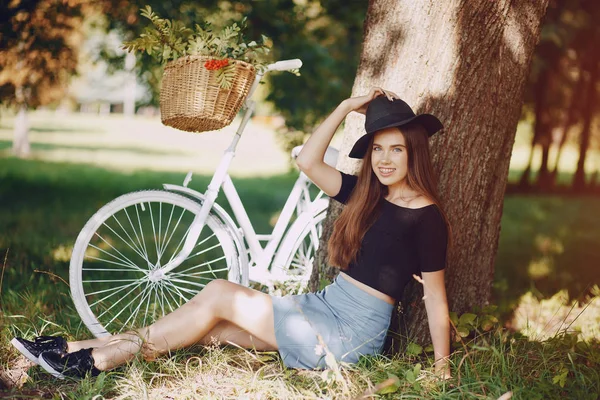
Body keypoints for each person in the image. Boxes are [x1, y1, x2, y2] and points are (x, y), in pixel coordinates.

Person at [10, 87, 452, 380]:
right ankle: (72, 348)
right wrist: (344, 108)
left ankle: (96, 361)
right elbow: (309, 162)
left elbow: (435, 297)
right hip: (320, 308)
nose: (386, 159)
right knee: (209, 326)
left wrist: (443, 369)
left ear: (415, 152)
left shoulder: (426, 217)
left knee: (221, 293)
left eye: (397, 149)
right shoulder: (365, 195)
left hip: (348, 335)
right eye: (377, 149)